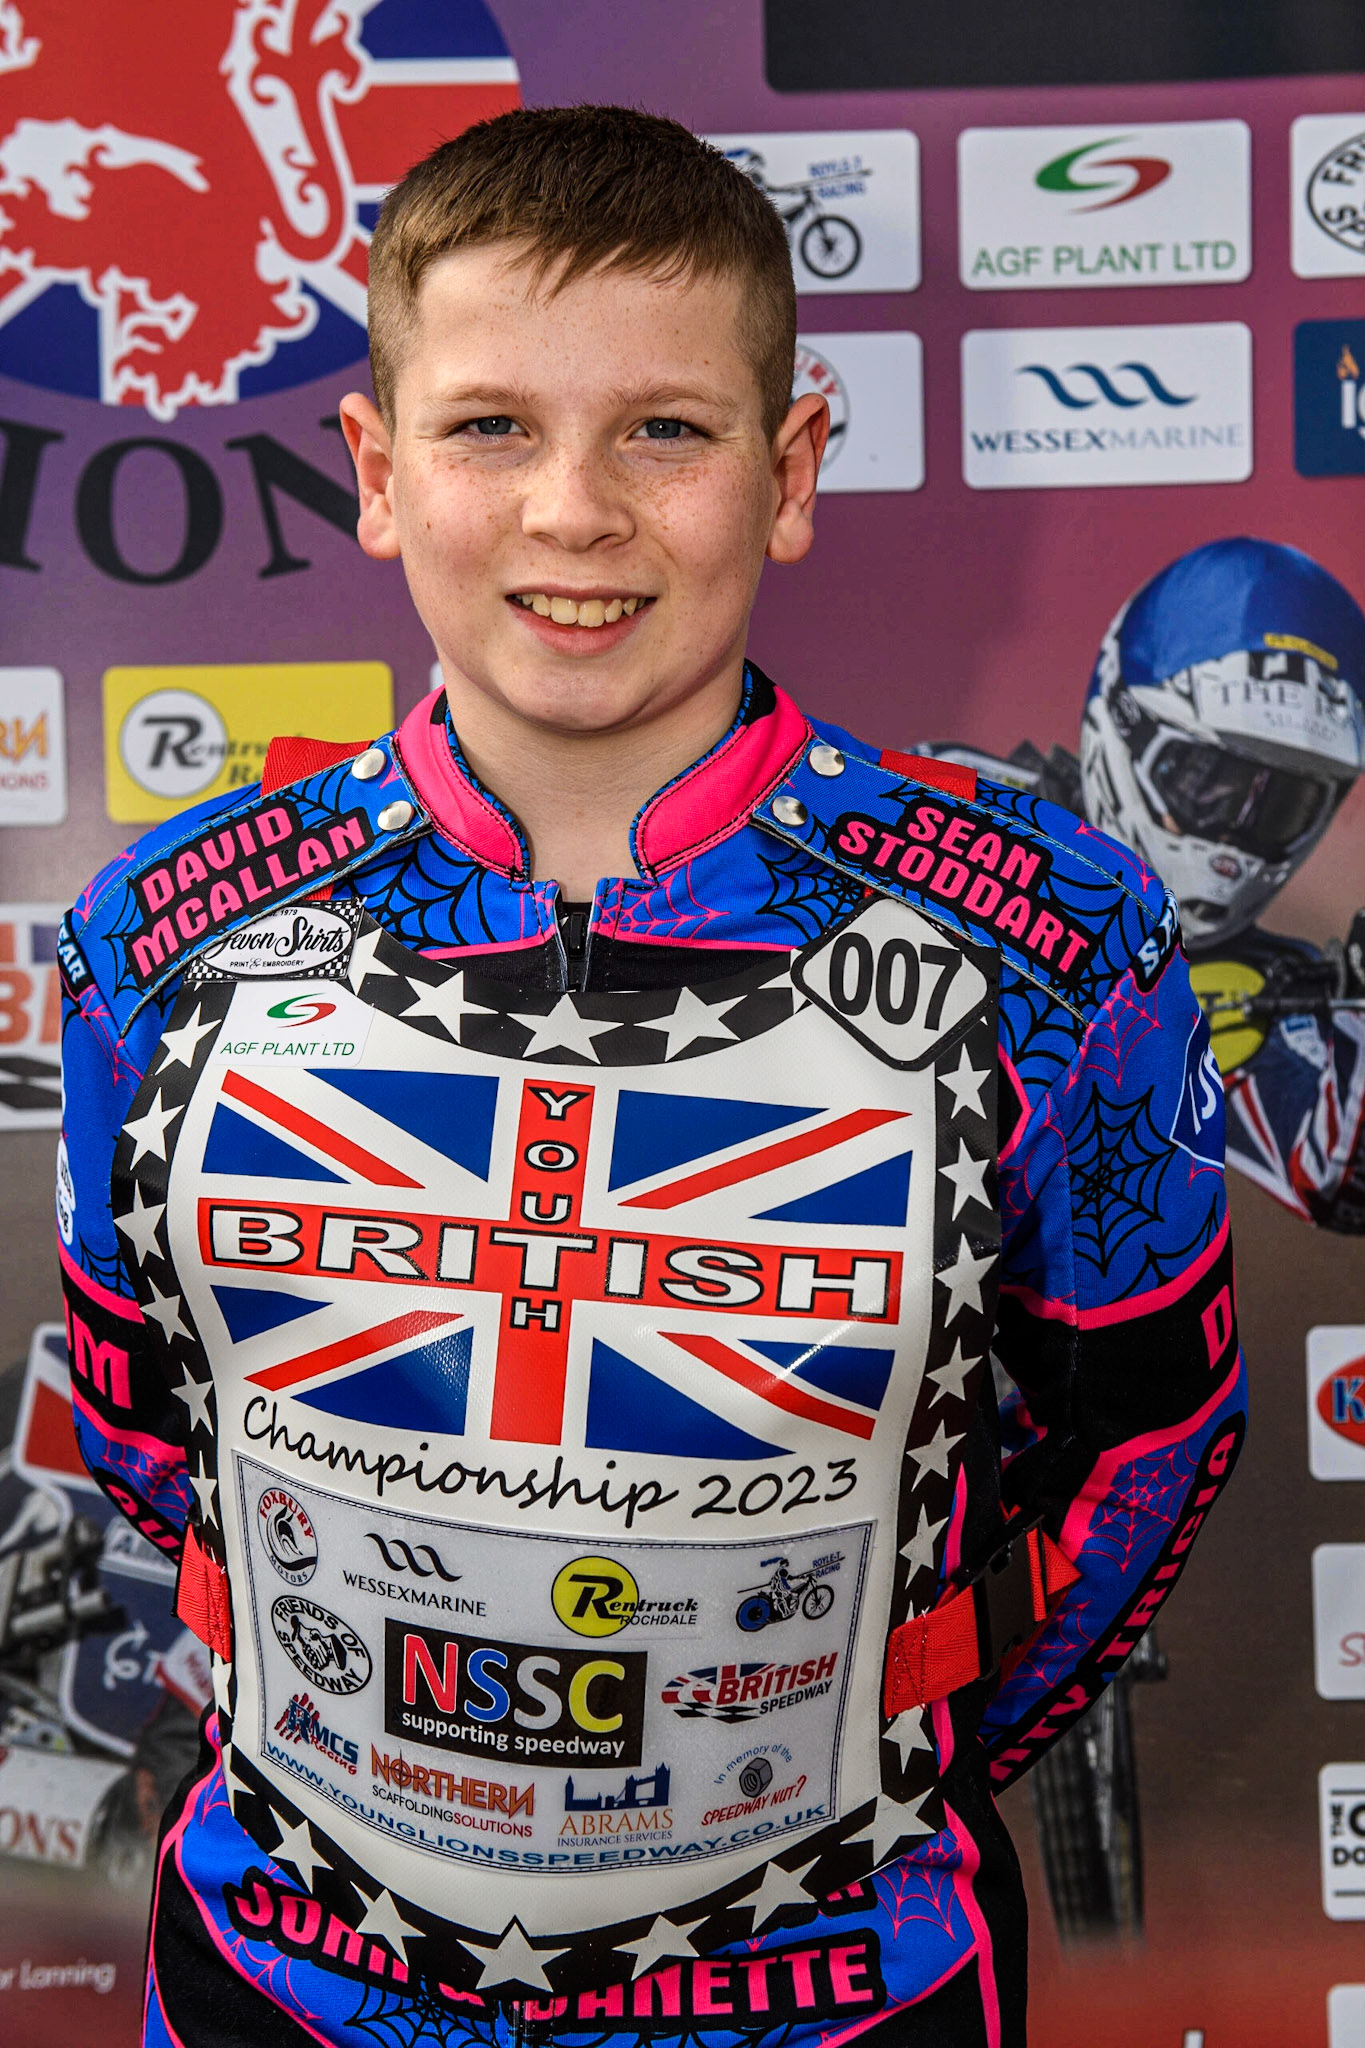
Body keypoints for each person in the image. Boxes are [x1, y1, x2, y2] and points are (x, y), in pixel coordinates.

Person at [56, 108, 1246, 2048]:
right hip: (297, 1979)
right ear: (374, 471)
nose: (575, 511)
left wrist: (893, 1713)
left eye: (664, 431)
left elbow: (1145, 1435)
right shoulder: (160, 934)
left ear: (786, 474)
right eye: (492, 426)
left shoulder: (1051, 937)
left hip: (844, 1987)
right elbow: (136, 1410)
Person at [929, 538, 1365, 1233]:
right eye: (1206, 782)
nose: (1232, 832)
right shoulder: (949, 809)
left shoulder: (1284, 997)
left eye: (1281, 803)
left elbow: (1338, 1179)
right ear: (1124, 722)